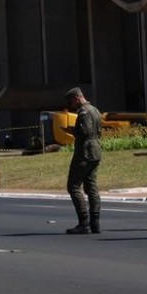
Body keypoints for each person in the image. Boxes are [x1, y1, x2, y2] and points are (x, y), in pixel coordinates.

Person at [63, 87, 103, 234]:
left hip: (85, 152)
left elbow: (85, 131)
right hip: (96, 150)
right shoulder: (95, 110)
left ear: (77, 98)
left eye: (71, 102)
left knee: (73, 186)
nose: (71, 105)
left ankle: (84, 222)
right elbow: (99, 130)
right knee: (91, 186)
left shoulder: (84, 112)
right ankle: (95, 222)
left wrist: (72, 131)